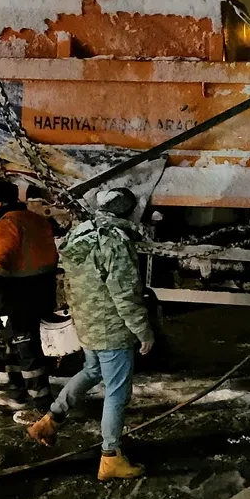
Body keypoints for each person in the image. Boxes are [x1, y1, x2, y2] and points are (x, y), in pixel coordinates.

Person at [25, 187, 154, 482]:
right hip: (111, 328)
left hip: (87, 323)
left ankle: (50, 420)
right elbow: (124, 293)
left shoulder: (79, 235)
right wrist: (143, 331)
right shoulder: (114, 242)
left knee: (92, 370)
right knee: (117, 391)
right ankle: (110, 458)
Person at [0, 180, 58, 413]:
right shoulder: (38, 220)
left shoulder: (7, 224)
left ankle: (43, 407)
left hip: (21, 296)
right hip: (42, 292)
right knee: (14, 340)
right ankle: (16, 391)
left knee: (26, 347)